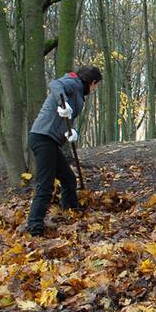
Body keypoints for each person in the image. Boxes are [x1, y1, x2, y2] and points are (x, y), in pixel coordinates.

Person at [25, 65, 103, 236]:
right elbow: (54, 85)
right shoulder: (72, 83)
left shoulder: (79, 93)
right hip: (43, 137)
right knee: (45, 185)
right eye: (96, 86)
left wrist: (70, 131)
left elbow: (65, 118)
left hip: (51, 140)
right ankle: (34, 227)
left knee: (68, 179)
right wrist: (63, 102)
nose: (95, 89)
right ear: (92, 82)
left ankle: (71, 213)